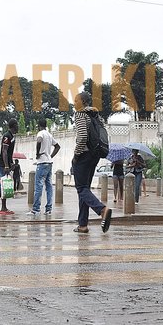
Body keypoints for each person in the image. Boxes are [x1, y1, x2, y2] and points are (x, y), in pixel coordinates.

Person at [71, 92, 111, 233]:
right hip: (95, 155)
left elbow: (82, 137)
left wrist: (76, 155)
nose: (74, 103)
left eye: (76, 100)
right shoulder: (95, 115)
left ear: (83, 102)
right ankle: (83, 224)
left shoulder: (80, 115)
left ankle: (102, 210)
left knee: (81, 188)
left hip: (84, 155)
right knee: (85, 189)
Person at [30, 117, 60, 216]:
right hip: (49, 163)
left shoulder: (41, 133)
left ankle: (36, 209)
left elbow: (39, 141)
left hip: (42, 163)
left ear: (39, 126)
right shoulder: (49, 135)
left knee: (38, 186)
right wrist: (50, 156)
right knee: (49, 186)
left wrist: (37, 153)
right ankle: (48, 209)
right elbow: (57, 146)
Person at [0, 119, 17, 215]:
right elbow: (4, 151)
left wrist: (11, 163)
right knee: (4, 185)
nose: (18, 127)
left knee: (3, 185)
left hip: (6, 163)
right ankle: (3, 208)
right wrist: (6, 165)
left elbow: (9, 153)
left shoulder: (12, 136)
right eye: (17, 125)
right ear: (14, 126)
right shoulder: (7, 136)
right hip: (2, 164)